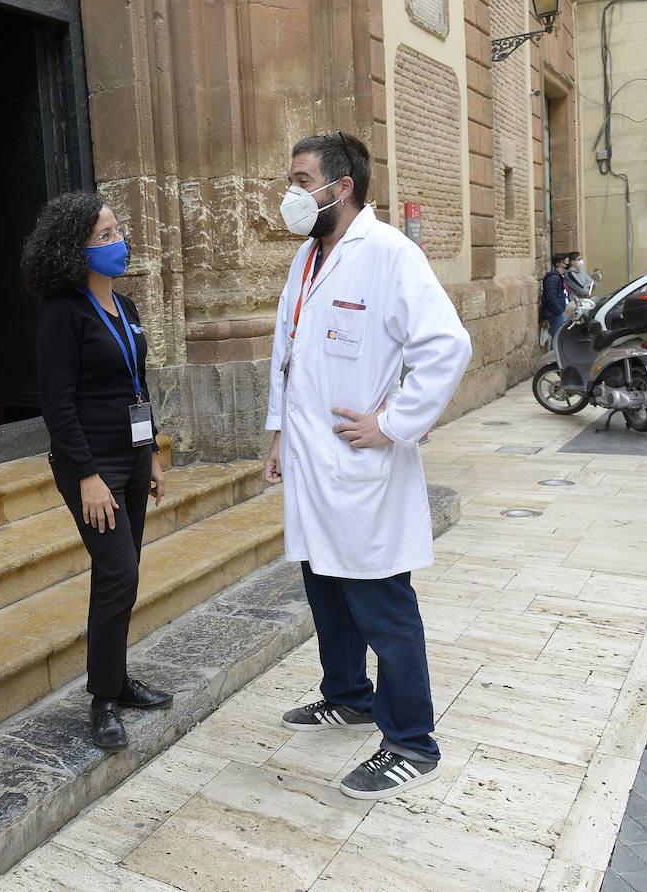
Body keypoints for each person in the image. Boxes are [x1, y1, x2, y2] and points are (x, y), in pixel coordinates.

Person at [264, 130, 472, 800]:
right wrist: (278, 434)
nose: (291, 193)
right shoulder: (307, 258)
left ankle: (412, 739)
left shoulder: (387, 254)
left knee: (383, 604)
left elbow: (447, 346)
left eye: (301, 180)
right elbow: (287, 352)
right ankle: (348, 695)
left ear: (341, 186)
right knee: (326, 586)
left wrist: (393, 422)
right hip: (312, 464)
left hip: (362, 468)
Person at [23, 191, 173, 750]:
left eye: (117, 231)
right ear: (74, 250)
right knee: (120, 574)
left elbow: (139, 386)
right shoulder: (61, 316)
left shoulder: (127, 309)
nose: (118, 243)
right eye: (104, 237)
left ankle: (115, 680)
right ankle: (104, 700)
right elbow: (57, 405)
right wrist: (86, 474)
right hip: (93, 466)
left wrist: (153, 453)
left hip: (132, 458)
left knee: (120, 574)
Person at [541, 253, 571, 342]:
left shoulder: (561, 277)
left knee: (560, 339)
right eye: (565, 261)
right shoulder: (553, 278)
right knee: (557, 340)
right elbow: (551, 297)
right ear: (558, 263)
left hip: (562, 311)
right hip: (556, 314)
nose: (567, 263)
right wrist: (559, 311)